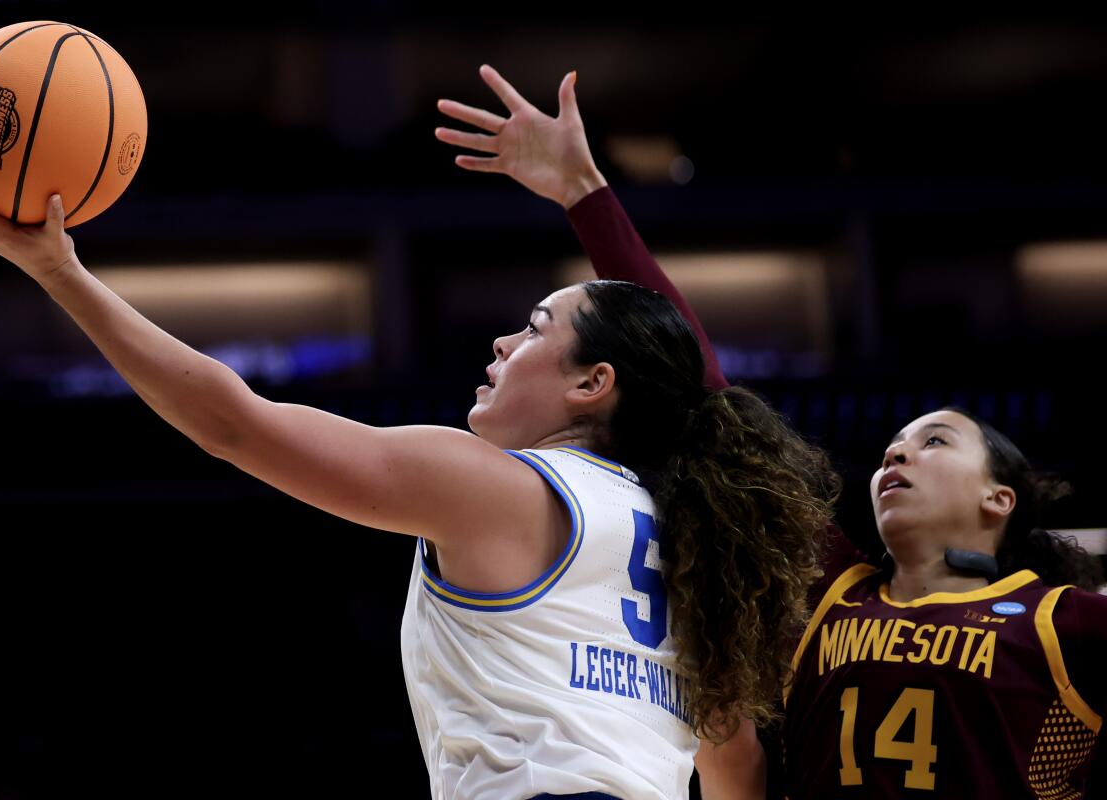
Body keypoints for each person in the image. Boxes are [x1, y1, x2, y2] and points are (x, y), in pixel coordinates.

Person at [0, 105, 836, 798]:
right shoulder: (696, 557)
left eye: (531, 329)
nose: (500, 346)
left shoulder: (497, 487)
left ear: (592, 385)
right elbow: (738, 771)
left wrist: (63, 275)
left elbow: (236, 424)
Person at [436, 66, 1106, 798]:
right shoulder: (832, 595)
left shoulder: (1061, 622)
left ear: (998, 499)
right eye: (896, 443)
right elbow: (705, 396)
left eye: (936, 441)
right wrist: (584, 193)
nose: (897, 450)